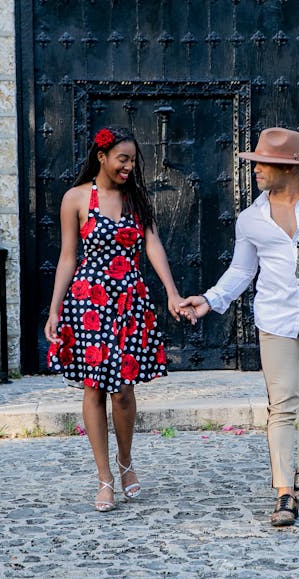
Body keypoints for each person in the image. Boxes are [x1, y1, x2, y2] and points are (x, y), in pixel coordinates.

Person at [179, 127, 299, 527]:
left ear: (288, 167)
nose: (255, 170)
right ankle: (285, 492)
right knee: (281, 405)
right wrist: (210, 300)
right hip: (275, 319)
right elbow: (241, 271)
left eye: (262, 164)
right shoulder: (251, 219)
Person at [45, 127, 184, 512]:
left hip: (129, 302)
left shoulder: (137, 199)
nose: (129, 166)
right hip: (88, 304)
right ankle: (104, 477)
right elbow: (68, 256)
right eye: (123, 158)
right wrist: (55, 309)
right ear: (102, 156)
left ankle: (127, 464)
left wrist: (171, 292)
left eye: (133, 160)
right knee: (94, 388)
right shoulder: (75, 198)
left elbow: (152, 244)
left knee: (123, 390)